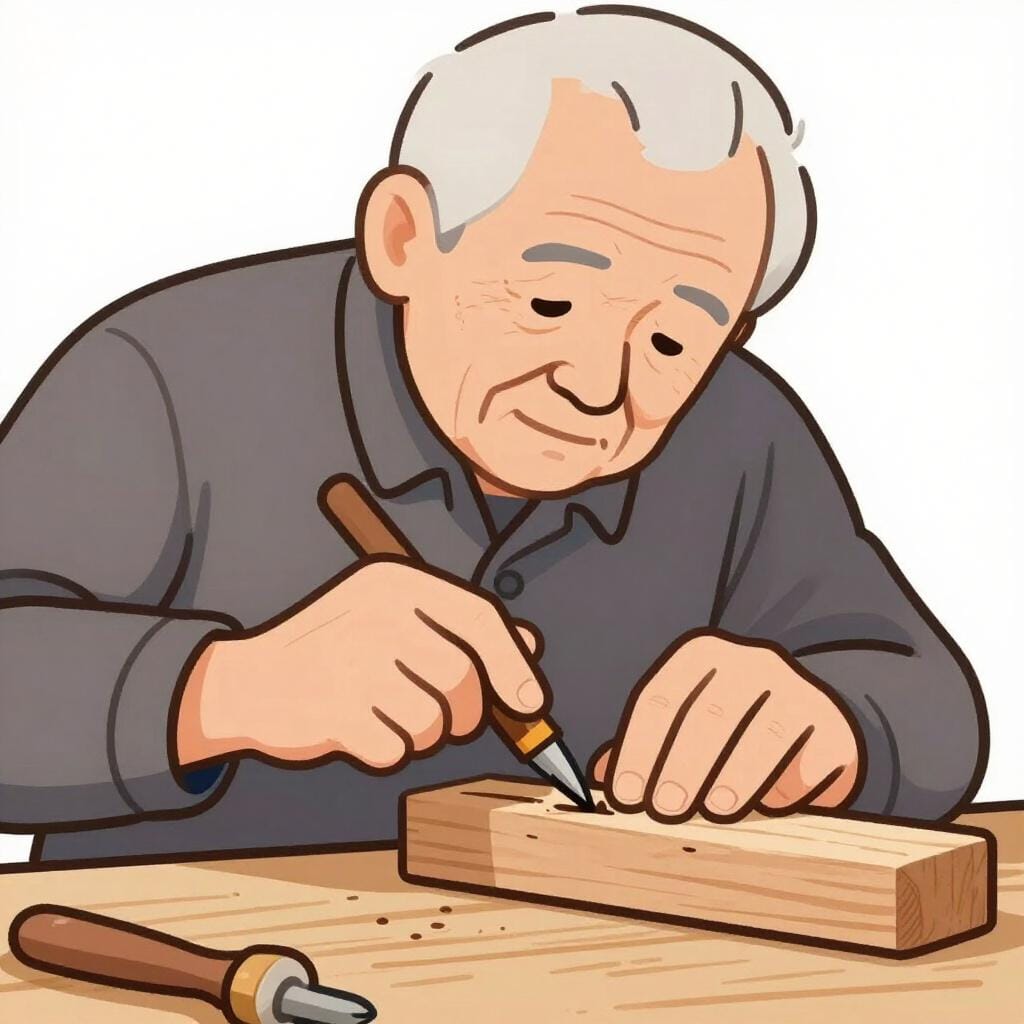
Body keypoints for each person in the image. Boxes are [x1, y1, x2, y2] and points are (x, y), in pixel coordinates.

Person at [0, 9, 984, 863]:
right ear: (403, 236)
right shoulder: (164, 372)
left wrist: (836, 724)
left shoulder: (738, 426)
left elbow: (928, 699)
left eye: (675, 336)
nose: (599, 385)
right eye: (551, 299)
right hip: (188, 969)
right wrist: (228, 691)